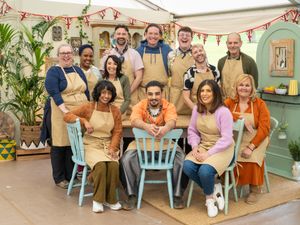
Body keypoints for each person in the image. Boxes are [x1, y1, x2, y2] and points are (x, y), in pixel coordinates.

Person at [120, 80, 186, 210]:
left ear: (162, 94)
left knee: (182, 159)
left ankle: (177, 194)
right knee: (126, 159)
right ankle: (132, 195)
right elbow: (134, 120)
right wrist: (145, 126)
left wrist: (165, 129)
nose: (154, 97)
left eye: (157, 94)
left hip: (165, 144)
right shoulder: (140, 105)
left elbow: (172, 121)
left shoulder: (169, 106)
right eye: (150, 94)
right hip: (142, 146)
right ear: (146, 94)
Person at [64, 80, 122, 213]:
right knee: (101, 165)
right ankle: (98, 200)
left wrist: (113, 148)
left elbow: (117, 132)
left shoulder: (115, 111)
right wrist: (84, 121)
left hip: (107, 145)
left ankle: (111, 199)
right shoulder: (88, 107)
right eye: (103, 92)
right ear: (98, 93)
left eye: (109, 93)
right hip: (90, 144)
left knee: (113, 165)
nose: (106, 96)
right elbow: (67, 116)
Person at [183, 79, 234, 218]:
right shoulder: (196, 109)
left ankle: (209, 200)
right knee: (187, 166)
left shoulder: (223, 112)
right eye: (202, 91)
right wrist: (194, 147)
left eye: (208, 90)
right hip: (204, 145)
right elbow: (192, 131)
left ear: (215, 93)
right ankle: (215, 188)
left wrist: (208, 154)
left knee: (205, 171)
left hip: (223, 148)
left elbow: (227, 139)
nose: (204, 94)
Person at [45, 44, 89, 189]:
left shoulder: (78, 70)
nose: (66, 55)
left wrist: (89, 110)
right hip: (61, 111)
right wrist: (65, 111)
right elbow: (54, 92)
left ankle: (71, 176)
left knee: (73, 144)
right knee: (60, 144)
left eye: (69, 53)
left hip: (80, 112)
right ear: (58, 55)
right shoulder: (54, 71)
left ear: (73, 55)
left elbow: (86, 91)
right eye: (63, 53)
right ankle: (59, 178)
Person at [224, 74, 270, 204]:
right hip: (236, 138)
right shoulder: (230, 102)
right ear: (236, 87)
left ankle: (255, 189)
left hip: (257, 138)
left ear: (252, 88)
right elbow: (219, 112)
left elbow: (265, 128)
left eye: (247, 85)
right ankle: (235, 182)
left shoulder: (260, 104)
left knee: (251, 157)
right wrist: (240, 119)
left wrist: (251, 146)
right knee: (227, 155)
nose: (244, 88)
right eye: (241, 85)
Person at [100, 24, 144, 109]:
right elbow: (103, 75)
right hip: (112, 99)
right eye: (118, 34)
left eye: (124, 34)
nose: (121, 36)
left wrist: (127, 93)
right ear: (114, 36)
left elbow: (139, 77)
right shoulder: (108, 54)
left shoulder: (135, 54)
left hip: (132, 97)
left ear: (128, 36)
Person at [136, 23, 172, 100]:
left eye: (156, 34)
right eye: (150, 33)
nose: (153, 36)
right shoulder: (138, 51)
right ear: (145, 34)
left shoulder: (167, 49)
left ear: (160, 35)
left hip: (162, 94)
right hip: (144, 94)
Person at [218, 32, 258, 99]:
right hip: (224, 102)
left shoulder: (249, 62)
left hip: (242, 102)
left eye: (235, 43)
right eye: (230, 43)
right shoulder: (221, 62)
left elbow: (254, 85)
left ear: (240, 43)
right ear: (226, 44)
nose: (232, 45)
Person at [183, 44, 220, 111]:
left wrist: (217, 109)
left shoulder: (214, 70)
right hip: (198, 109)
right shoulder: (189, 73)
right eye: (195, 52)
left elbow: (218, 92)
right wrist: (196, 111)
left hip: (213, 110)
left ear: (204, 52)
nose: (199, 53)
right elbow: (186, 98)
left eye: (200, 50)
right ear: (192, 56)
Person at [169, 26, 194, 115]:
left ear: (192, 38)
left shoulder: (198, 54)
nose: (184, 37)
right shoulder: (171, 55)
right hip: (175, 97)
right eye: (182, 35)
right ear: (178, 38)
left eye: (187, 35)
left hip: (192, 97)